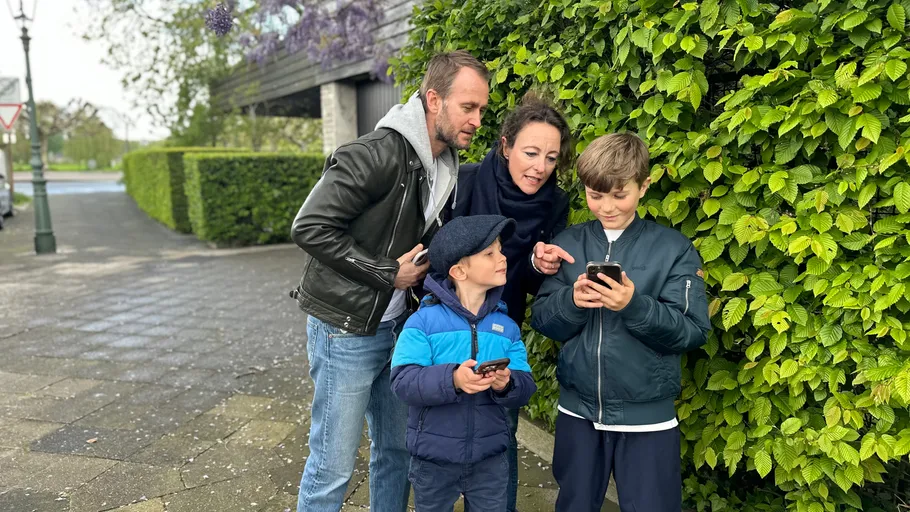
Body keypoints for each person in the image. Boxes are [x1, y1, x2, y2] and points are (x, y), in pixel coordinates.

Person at [289, 50, 489, 512]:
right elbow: (309, 227)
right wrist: (387, 273)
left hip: (400, 330)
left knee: (398, 453)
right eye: (469, 107)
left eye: (481, 108)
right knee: (332, 466)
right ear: (434, 99)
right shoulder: (374, 154)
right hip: (346, 330)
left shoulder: (444, 163)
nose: (478, 119)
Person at [530, 133, 712, 512]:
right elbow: (544, 320)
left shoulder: (674, 249)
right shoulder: (570, 243)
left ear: (644, 186)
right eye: (595, 196)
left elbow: (692, 330)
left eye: (619, 194)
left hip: (648, 419)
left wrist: (633, 305)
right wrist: (572, 301)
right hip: (577, 412)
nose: (606, 206)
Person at [447, 93, 573, 511]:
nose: (540, 167)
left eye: (551, 158)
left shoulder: (555, 203)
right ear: (505, 145)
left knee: (500, 439)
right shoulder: (464, 181)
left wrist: (542, 265)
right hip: (445, 329)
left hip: (502, 329)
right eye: (531, 152)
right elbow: (437, 258)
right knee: (439, 440)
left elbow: (537, 286)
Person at [390, 214, 537, 511]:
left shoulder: (506, 327)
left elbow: (526, 385)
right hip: (433, 460)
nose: (502, 258)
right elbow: (402, 381)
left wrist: (507, 383)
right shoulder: (422, 323)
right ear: (458, 270)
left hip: (490, 460)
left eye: (501, 250)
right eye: (489, 253)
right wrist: (453, 379)